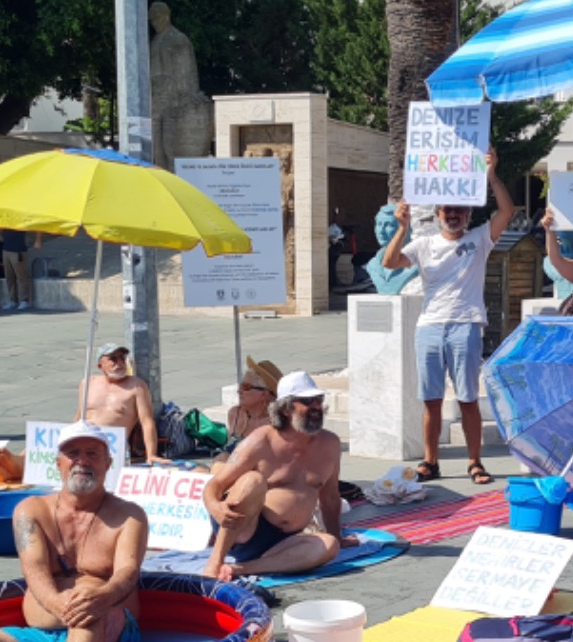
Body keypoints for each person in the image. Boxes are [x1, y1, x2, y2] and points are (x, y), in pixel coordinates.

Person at [0, 422, 148, 642]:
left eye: (92, 454)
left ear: (108, 464)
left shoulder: (129, 516)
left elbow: (127, 573)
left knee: (88, 604)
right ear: (59, 463)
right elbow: (35, 571)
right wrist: (59, 605)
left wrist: (102, 597)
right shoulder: (32, 510)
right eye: (73, 454)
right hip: (44, 633)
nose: (82, 461)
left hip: (108, 625)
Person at [381, 148, 515, 485]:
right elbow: (389, 263)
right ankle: (431, 461)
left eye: (458, 209)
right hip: (429, 327)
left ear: (468, 212)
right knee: (431, 400)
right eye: (447, 209)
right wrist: (402, 227)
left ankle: (474, 462)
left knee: (468, 398)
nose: (453, 214)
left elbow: (507, 210)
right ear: (438, 212)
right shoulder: (424, 244)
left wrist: (491, 175)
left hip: (466, 325)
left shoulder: (480, 238)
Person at [202, 371, 353, 580]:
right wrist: (215, 507)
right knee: (251, 481)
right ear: (287, 408)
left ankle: (244, 568)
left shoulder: (330, 444)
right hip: (245, 531)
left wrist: (338, 536)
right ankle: (215, 563)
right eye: (307, 402)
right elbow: (215, 484)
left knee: (330, 545)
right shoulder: (262, 440)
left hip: (284, 542)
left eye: (318, 400)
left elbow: (329, 497)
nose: (316, 407)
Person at [78, 342, 160, 464]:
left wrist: (151, 454)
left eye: (122, 358)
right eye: (113, 359)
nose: (120, 363)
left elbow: (147, 421)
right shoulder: (87, 383)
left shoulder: (136, 386)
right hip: (84, 443)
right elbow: (79, 416)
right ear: (100, 365)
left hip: (113, 449)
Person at [227, 356, 282, 449]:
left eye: (246, 387)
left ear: (264, 394)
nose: (239, 391)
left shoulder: (277, 422)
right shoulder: (235, 414)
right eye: (241, 386)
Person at [0, 229, 37, 310]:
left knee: (21, 276)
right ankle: (13, 300)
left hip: (18, 250)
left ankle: (24, 300)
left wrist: (38, 240)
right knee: (9, 276)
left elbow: (36, 226)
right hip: (6, 249)